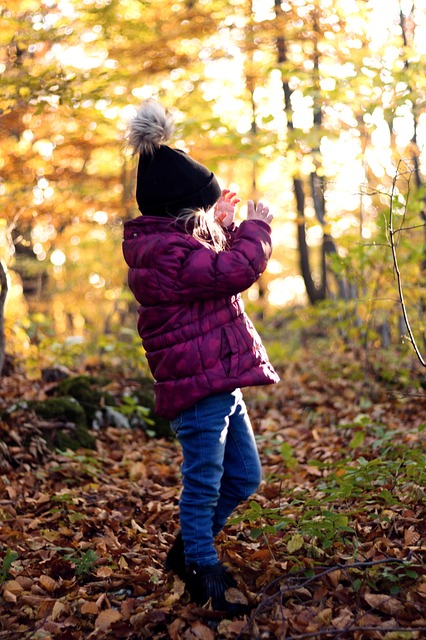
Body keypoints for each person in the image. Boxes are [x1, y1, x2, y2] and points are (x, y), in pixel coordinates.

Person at [122, 100, 279, 616]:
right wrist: (255, 228)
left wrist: (228, 226)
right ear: (185, 213)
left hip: (219, 381)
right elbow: (228, 272)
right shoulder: (166, 254)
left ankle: (189, 552)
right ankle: (202, 571)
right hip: (198, 389)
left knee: (243, 477)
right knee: (205, 479)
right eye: (206, 211)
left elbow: (214, 267)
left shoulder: (177, 246)